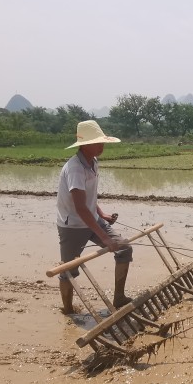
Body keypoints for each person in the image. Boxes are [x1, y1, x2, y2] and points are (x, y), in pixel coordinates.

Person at [56, 120, 133, 314]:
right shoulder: (75, 168)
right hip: (73, 225)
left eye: (102, 141)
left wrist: (102, 214)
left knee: (124, 249)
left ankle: (119, 298)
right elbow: (80, 207)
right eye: (97, 142)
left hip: (93, 220)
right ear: (84, 145)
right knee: (68, 271)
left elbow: (88, 197)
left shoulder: (93, 162)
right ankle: (67, 309)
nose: (102, 146)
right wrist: (105, 238)